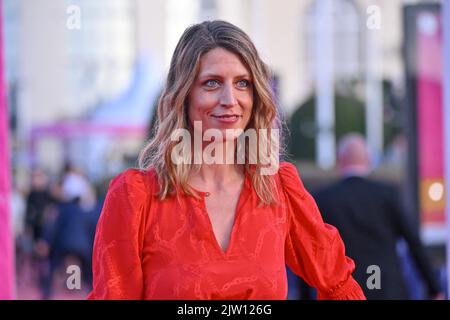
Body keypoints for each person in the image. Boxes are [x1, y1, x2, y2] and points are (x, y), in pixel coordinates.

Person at [87, 20, 365, 300]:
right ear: (183, 95)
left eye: (242, 83)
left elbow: (339, 284)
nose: (230, 99)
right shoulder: (136, 197)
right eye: (212, 83)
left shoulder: (279, 189)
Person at [313, 133, 442, 299]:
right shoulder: (388, 194)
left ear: (339, 160)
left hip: (344, 290)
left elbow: (314, 253)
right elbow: (413, 242)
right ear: (368, 160)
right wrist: (434, 287)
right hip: (387, 288)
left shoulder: (324, 199)